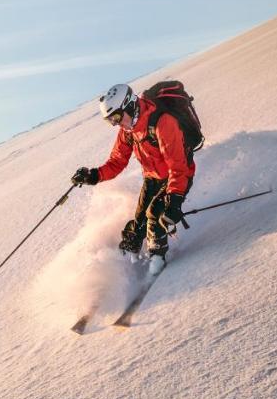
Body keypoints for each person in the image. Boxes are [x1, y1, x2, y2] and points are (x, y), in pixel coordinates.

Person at [70, 82, 196, 273]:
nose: (116, 124)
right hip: (152, 179)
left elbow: (178, 166)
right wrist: (93, 175)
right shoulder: (127, 132)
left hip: (177, 175)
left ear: (130, 105)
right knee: (138, 225)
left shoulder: (162, 122)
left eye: (117, 117)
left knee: (155, 215)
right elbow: (116, 162)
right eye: (111, 121)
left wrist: (175, 200)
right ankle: (127, 261)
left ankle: (158, 260)